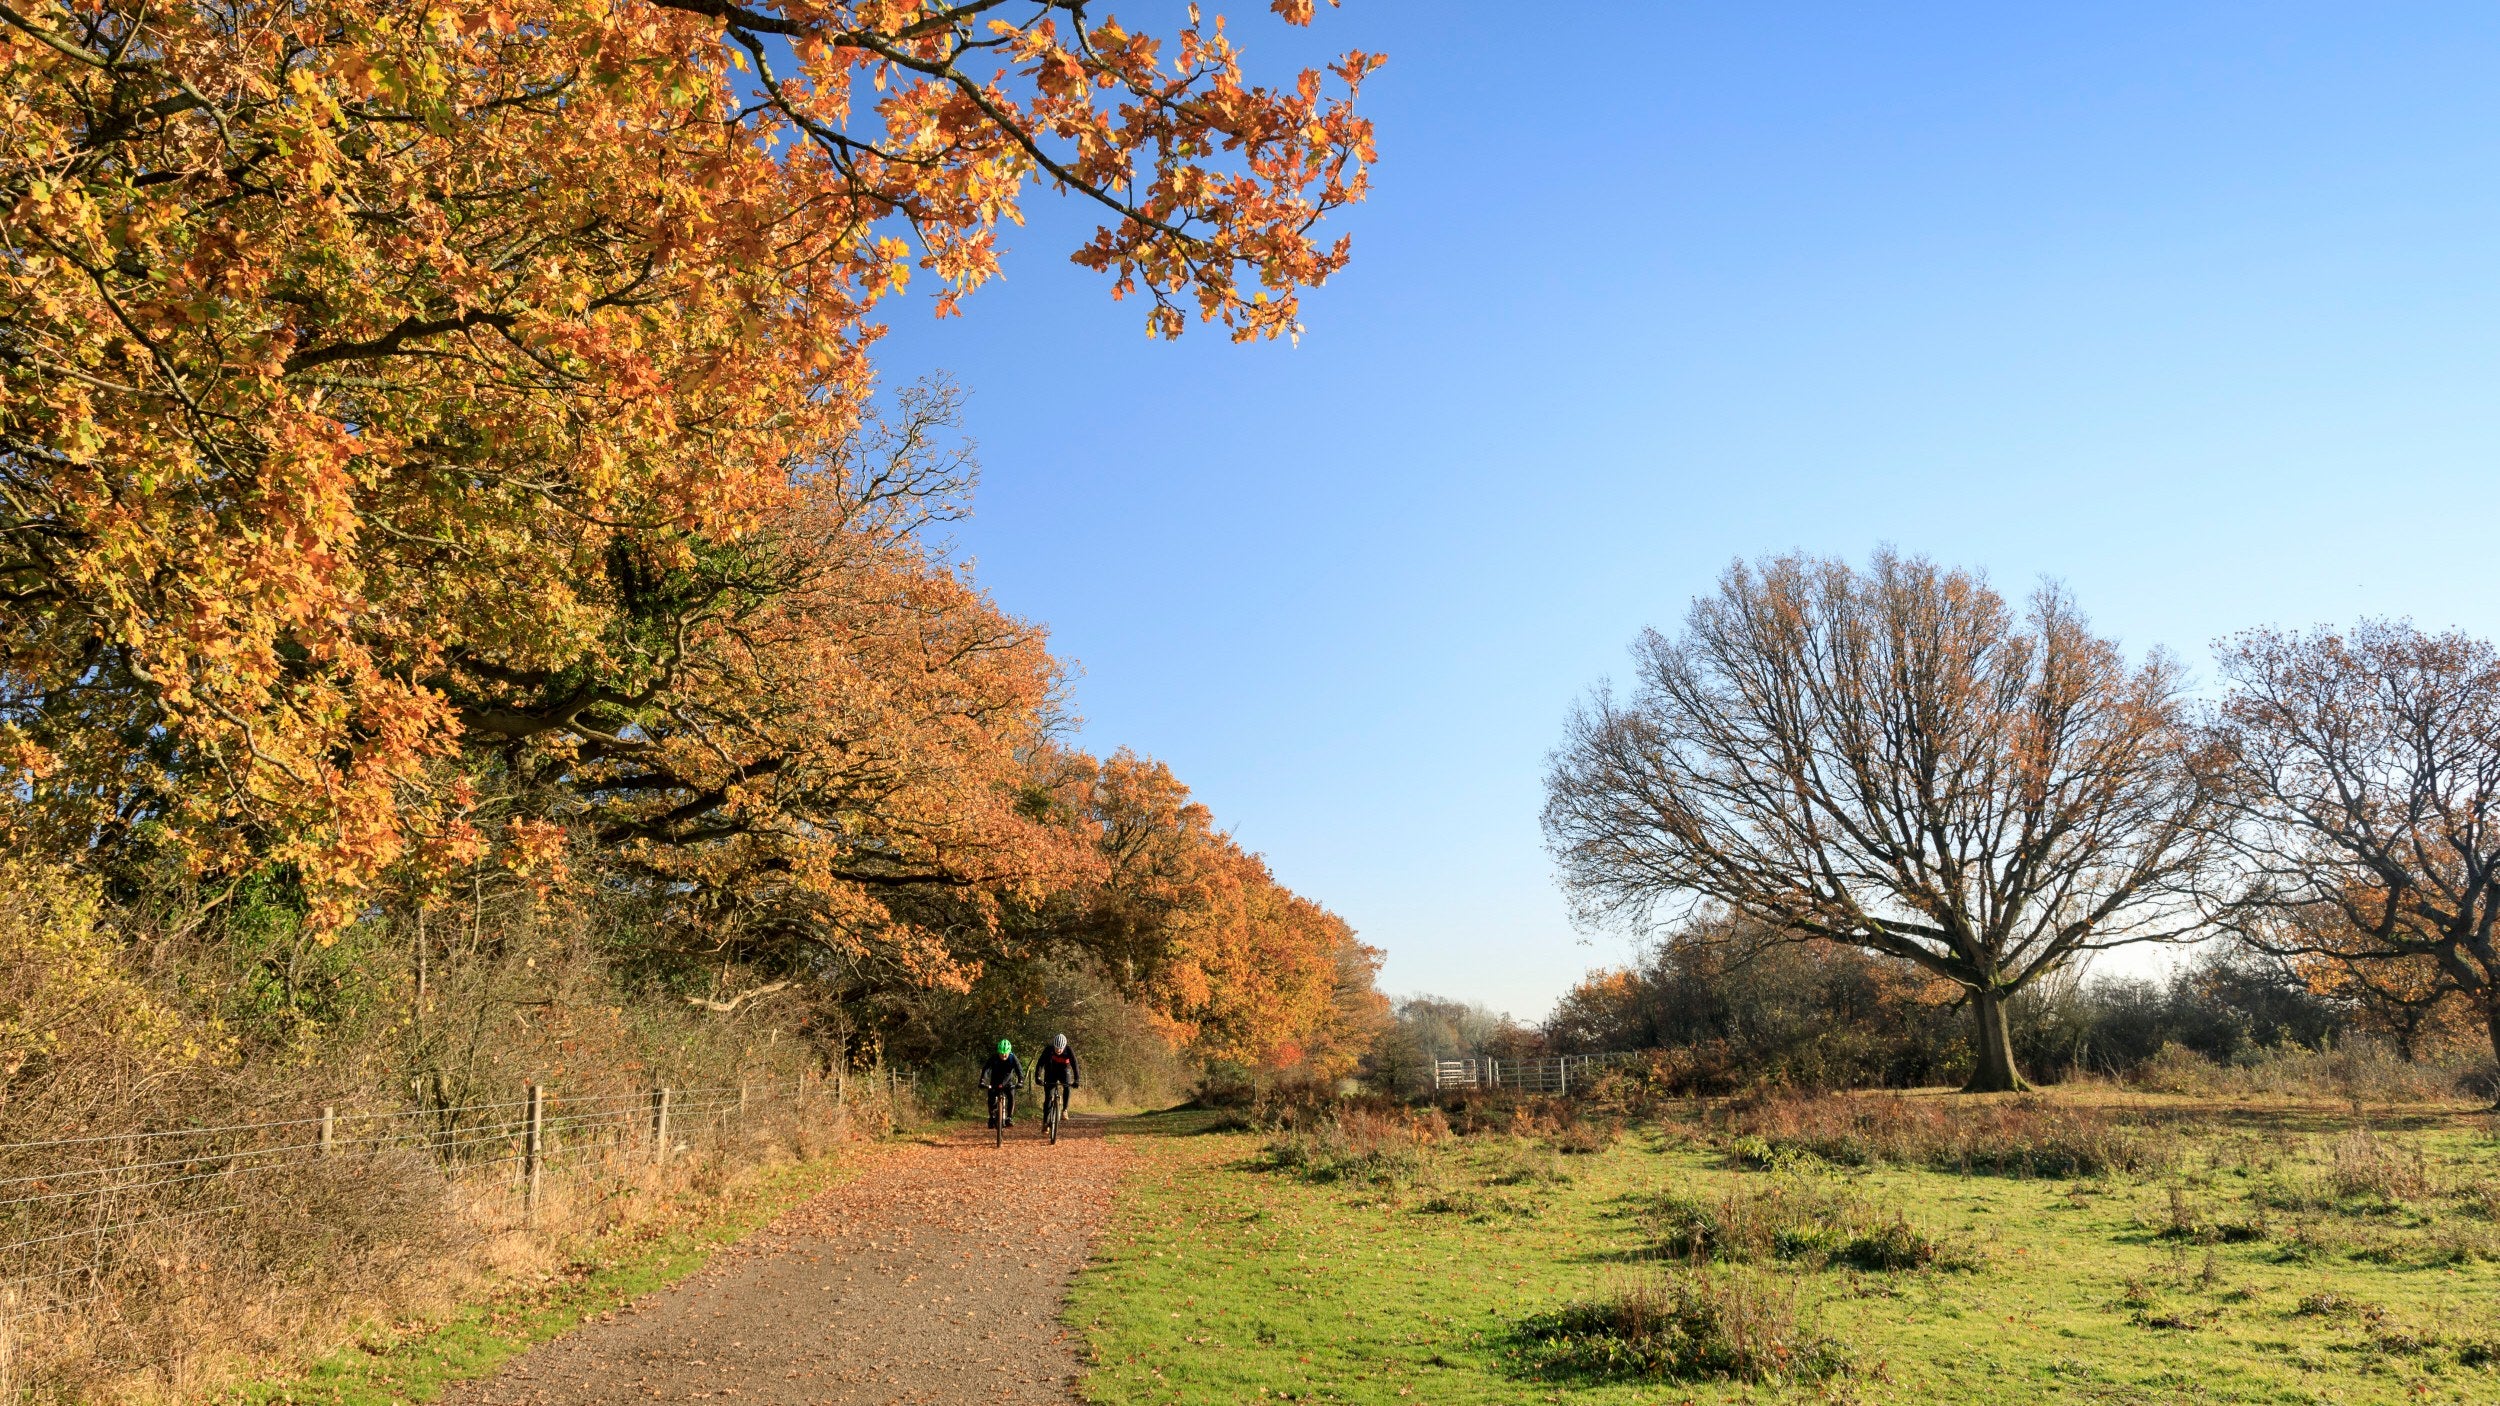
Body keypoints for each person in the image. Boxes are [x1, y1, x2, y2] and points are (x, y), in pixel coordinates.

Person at [979, 1038, 1024, 1128]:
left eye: (1005, 1053)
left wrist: (1020, 1081)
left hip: (1008, 1082)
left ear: (1009, 1052)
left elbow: (1019, 1070)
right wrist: (983, 1080)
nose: (1003, 1055)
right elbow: (986, 1069)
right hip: (995, 1081)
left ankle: (1009, 1117)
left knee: (1011, 1095)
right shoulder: (994, 1058)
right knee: (991, 1096)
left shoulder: (1012, 1058)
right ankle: (992, 1117)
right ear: (998, 1052)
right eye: (1001, 1053)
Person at [1035, 1033, 1080, 1119]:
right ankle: (1045, 1122)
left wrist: (1077, 1080)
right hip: (1051, 1071)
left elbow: (1075, 1065)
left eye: (1060, 1048)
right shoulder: (1048, 1050)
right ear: (1053, 1045)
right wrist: (1038, 1077)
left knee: (1067, 1086)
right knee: (1048, 1097)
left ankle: (1065, 1110)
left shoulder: (1069, 1050)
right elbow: (1040, 1063)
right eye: (1056, 1048)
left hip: (1064, 1071)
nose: (1058, 1050)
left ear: (1064, 1047)